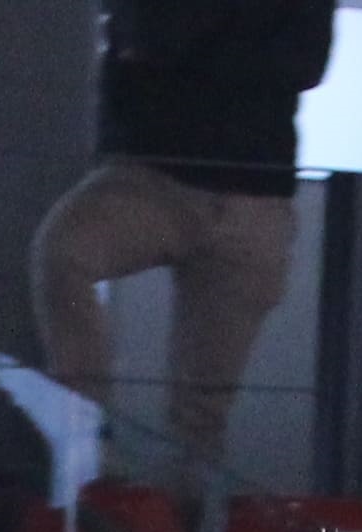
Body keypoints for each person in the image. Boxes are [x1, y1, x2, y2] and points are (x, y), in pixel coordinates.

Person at [30, 0, 334, 490]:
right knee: (65, 255)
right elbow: (150, 36)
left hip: (251, 195)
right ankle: (87, 436)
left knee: (201, 425)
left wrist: (190, 52)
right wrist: (234, 44)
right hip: (157, 176)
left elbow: (302, 62)